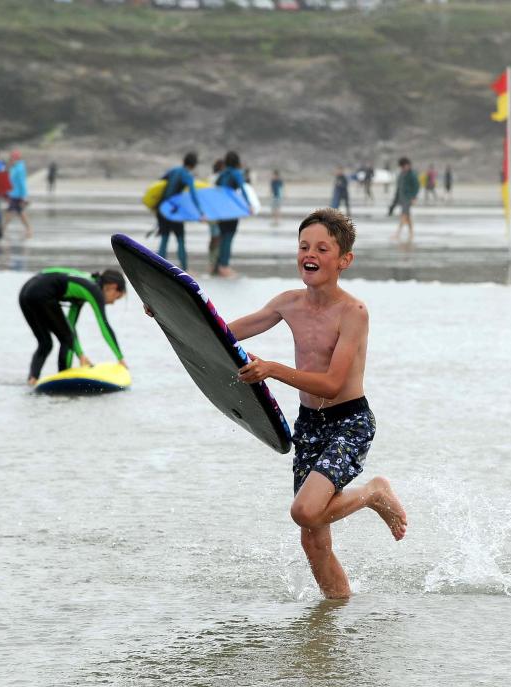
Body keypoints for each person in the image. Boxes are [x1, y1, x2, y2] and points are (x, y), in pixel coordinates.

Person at [221, 208, 407, 598]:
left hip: (349, 422)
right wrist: (169, 313)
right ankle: (334, 617)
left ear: (344, 260)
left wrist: (272, 369)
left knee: (304, 511)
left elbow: (333, 383)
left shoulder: (352, 313)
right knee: (313, 541)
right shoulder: (288, 303)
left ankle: (373, 492)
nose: (311, 254)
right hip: (310, 424)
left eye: (323, 248)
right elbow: (220, 332)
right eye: (305, 246)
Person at [18, 267, 127, 386]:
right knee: (66, 339)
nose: (112, 303)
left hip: (25, 292)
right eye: (116, 297)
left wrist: (80, 355)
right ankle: (63, 380)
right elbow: (104, 325)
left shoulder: (84, 286)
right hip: (42, 292)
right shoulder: (94, 289)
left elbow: (70, 325)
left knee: (45, 343)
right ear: (113, 287)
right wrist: (120, 358)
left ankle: (32, 381)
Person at [156, 151, 202, 271]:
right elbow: (193, 195)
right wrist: (201, 212)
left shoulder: (174, 170)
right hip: (174, 210)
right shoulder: (187, 175)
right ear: (194, 165)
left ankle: (157, 267)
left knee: (164, 238)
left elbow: (160, 183)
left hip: (163, 208)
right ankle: (185, 269)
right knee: (180, 239)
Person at [214, 150, 249, 278]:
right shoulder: (236, 173)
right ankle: (224, 267)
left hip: (220, 211)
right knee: (228, 238)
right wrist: (248, 205)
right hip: (231, 210)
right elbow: (243, 188)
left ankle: (219, 266)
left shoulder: (222, 174)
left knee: (223, 237)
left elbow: (216, 189)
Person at [3, 150, 33, 239]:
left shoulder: (20, 168)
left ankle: (3, 228)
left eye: (12, 158)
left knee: (11, 211)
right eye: (10, 158)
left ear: (16, 158)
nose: (10, 160)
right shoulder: (14, 167)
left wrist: (24, 196)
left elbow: (22, 183)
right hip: (13, 194)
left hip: (18, 194)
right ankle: (28, 228)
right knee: (19, 212)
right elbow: (11, 181)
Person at [391, 157, 420, 243]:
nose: (403, 168)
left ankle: (398, 233)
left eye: (404, 166)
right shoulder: (401, 174)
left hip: (408, 198)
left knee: (404, 215)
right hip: (402, 198)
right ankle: (411, 233)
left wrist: (414, 197)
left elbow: (417, 186)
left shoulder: (412, 174)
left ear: (407, 165)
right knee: (407, 216)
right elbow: (398, 187)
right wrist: (395, 200)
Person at [208, 158, 225, 270]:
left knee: (215, 237)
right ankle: (212, 264)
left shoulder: (211, 178)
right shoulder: (218, 178)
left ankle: (213, 264)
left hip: (211, 211)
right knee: (216, 237)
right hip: (215, 212)